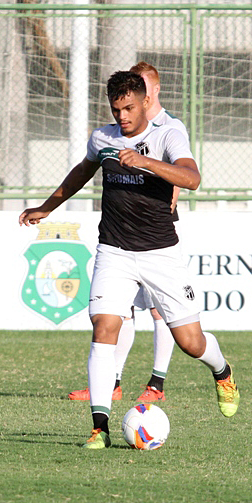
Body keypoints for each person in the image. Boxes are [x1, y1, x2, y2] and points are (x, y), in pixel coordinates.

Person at [19, 71, 239, 449]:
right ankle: (99, 428)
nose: (122, 116)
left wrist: (146, 162)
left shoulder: (166, 134)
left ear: (144, 103)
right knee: (104, 327)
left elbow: (192, 178)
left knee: (190, 342)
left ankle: (222, 370)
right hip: (114, 250)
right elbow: (80, 174)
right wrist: (47, 207)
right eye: (116, 109)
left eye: (129, 108)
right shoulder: (103, 138)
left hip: (160, 254)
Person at [68, 62, 184, 403]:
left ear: (152, 93)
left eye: (136, 97)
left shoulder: (170, 129)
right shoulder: (109, 133)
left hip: (155, 236)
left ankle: (156, 383)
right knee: (120, 312)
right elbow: (85, 169)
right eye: (118, 105)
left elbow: (184, 173)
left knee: (161, 311)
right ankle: (112, 381)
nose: (127, 110)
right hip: (119, 240)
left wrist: (163, 182)